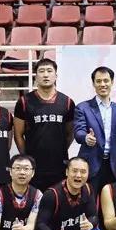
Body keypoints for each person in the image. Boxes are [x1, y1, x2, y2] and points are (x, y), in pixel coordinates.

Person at [13, 59, 76, 191]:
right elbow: (18, 134)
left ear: (56, 76)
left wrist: (60, 150)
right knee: (35, 201)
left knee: (57, 200)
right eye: (41, 71)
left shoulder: (67, 102)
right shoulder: (24, 102)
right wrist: (27, 157)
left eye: (49, 71)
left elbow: (70, 133)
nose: (46, 75)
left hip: (59, 164)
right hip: (35, 166)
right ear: (36, 77)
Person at [74, 66, 116, 194]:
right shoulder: (83, 107)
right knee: (89, 200)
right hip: (91, 164)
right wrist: (86, 137)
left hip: (113, 166)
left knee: (111, 200)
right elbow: (79, 131)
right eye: (98, 81)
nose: (102, 84)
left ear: (112, 82)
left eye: (106, 80)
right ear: (93, 84)